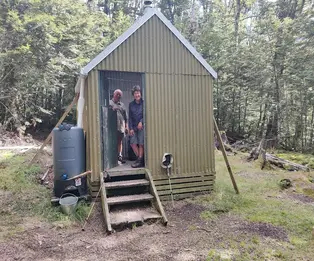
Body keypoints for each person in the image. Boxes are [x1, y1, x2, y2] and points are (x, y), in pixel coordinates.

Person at [109, 89, 128, 164]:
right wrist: (112, 109)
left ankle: (119, 156)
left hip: (121, 126)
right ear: (114, 94)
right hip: (111, 127)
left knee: (119, 141)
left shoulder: (122, 105)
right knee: (112, 141)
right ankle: (112, 158)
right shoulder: (109, 103)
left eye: (120, 95)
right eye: (117, 94)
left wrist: (127, 127)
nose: (118, 96)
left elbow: (126, 117)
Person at [129, 85, 144, 168]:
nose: (137, 95)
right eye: (135, 93)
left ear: (140, 93)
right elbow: (130, 117)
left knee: (141, 143)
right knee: (133, 143)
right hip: (133, 127)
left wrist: (141, 122)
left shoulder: (144, 103)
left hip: (141, 127)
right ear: (133, 95)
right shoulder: (131, 104)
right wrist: (130, 128)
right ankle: (140, 160)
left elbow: (146, 114)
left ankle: (140, 160)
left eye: (138, 93)